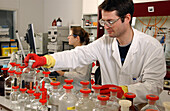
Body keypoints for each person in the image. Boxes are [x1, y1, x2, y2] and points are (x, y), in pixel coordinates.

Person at [24, 0, 166, 105]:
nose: (106, 27)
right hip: (110, 106)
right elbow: (77, 55)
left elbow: (154, 87)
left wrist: (123, 90)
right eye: (103, 22)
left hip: (141, 107)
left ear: (127, 18)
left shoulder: (151, 47)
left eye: (110, 21)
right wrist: (45, 60)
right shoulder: (105, 41)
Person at [56, 27, 92, 91]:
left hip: (81, 91)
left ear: (77, 38)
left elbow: (81, 76)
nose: (68, 37)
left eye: (70, 35)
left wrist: (63, 73)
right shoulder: (77, 51)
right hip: (75, 88)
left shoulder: (83, 53)